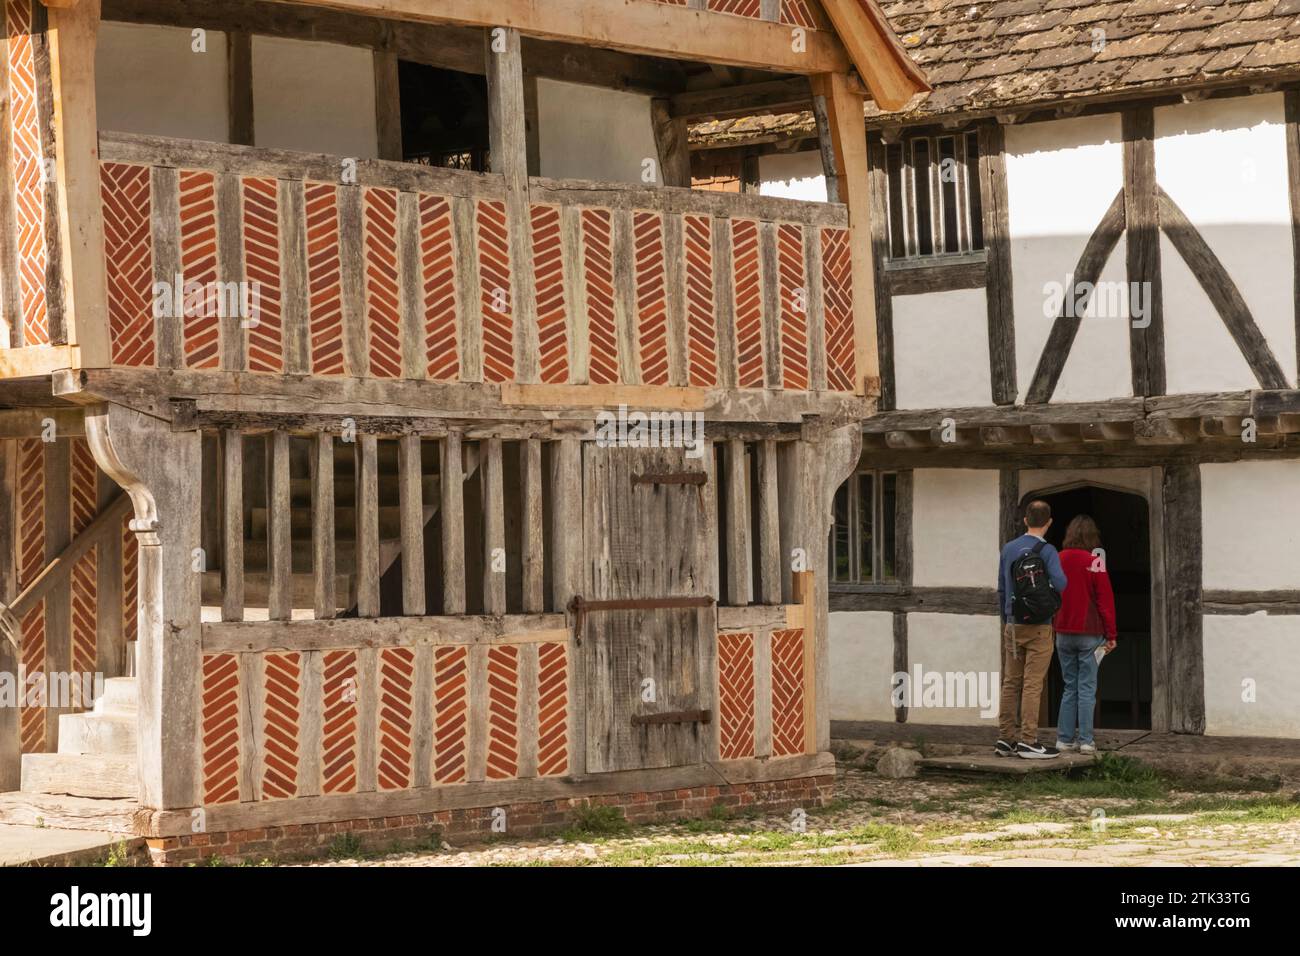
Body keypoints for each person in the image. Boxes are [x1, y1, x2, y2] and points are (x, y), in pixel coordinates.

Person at [995, 500, 1067, 759]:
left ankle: (1005, 739)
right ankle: (1028, 740)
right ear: (1049, 522)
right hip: (1039, 625)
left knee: (1011, 682)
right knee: (1033, 684)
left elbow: (1002, 587)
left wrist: (1007, 618)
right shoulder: (1047, 550)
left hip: (1013, 625)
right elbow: (1061, 583)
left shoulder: (1009, 548)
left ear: (1025, 520)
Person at [1053, 515, 1117, 755]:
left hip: (1062, 631)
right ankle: (1086, 740)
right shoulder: (1095, 561)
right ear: (1093, 537)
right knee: (1087, 687)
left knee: (1070, 686)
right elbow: (1105, 601)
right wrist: (1111, 633)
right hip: (1090, 632)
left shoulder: (1057, 560)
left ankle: (1064, 739)